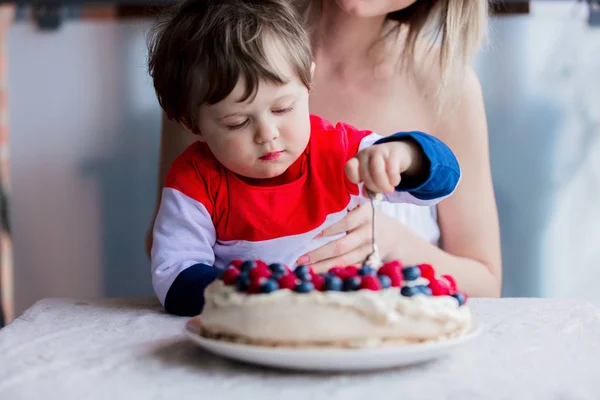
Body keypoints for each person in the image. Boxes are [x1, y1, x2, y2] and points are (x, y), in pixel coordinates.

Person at [147, 0, 502, 301]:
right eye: (238, 122)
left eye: (283, 108)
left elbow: (486, 285)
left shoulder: (446, 84)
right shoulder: (213, 61)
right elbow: (173, 246)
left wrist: (394, 243)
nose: (266, 133)